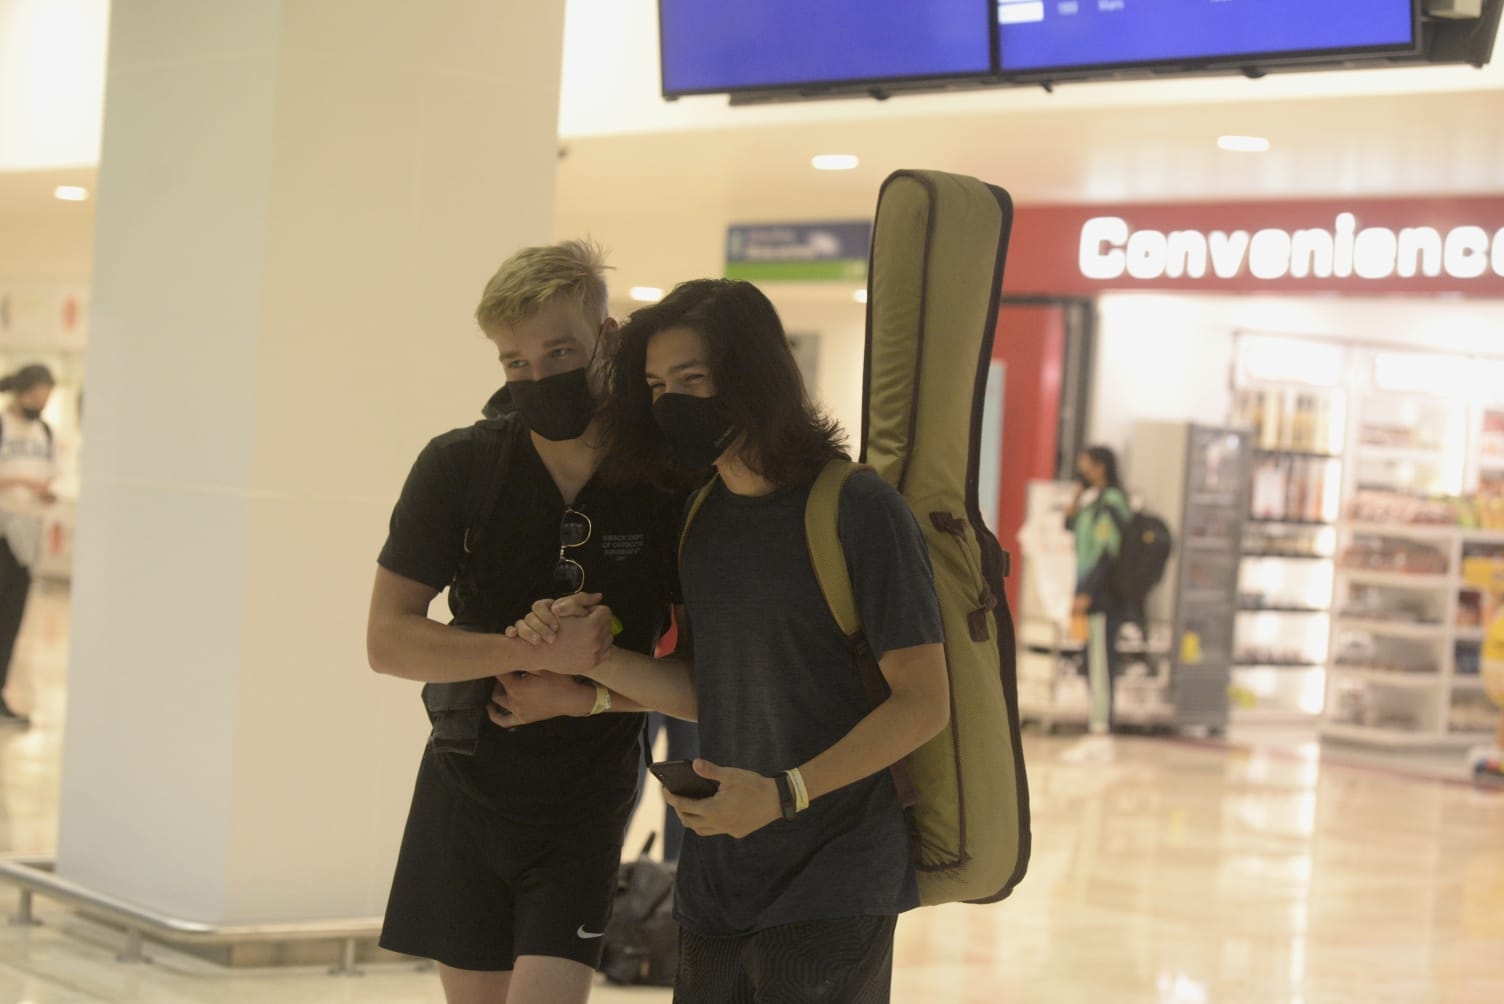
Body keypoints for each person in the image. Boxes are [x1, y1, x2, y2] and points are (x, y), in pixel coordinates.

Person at [511, 278, 951, 1003]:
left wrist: (785, 794)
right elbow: (705, 686)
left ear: (753, 380)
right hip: (716, 882)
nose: (669, 403)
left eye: (692, 380)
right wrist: (590, 665)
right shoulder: (699, 517)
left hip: (834, 881)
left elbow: (924, 702)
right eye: (655, 385)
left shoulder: (858, 510)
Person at [366, 240, 681, 1004]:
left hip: (587, 796)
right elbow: (388, 640)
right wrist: (524, 647)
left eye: (559, 351)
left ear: (607, 339)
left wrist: (587, 689)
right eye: (515, 362)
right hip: (465, 784)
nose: (538, 377)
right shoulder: (459, 466)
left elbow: (706, 683)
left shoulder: (668, 479)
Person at [0, 364, 57, 727]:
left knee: (11, 621)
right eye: (37, 394)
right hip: (2, 531)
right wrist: (20, 480)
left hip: (27, 538)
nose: (41, 402)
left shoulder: (45, 433)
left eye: (47, 396)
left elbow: (51, 475)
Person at [1064, 445, 1133, 733]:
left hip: (1102, 595)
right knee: (1091, 657)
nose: (1083, 471)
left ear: (1101, 466)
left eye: (1087, 465)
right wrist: (1078, 494)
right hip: (1088, 590)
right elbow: (1069, 523)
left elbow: (1107, 552)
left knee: (1102, 659)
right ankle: (1097, 718)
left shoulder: (1112, 502)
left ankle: (1101, 723)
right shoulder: (1093, 502)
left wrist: (1087, 592)